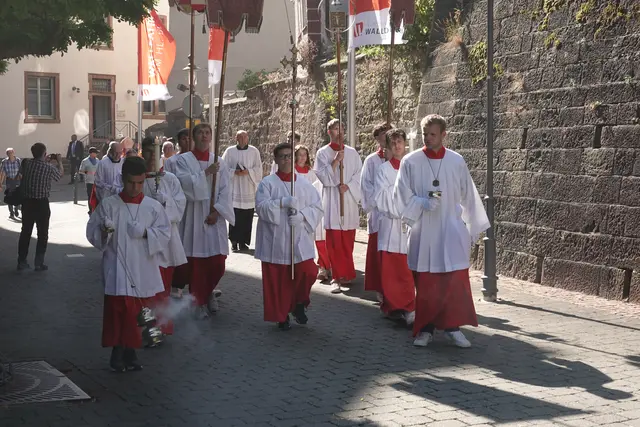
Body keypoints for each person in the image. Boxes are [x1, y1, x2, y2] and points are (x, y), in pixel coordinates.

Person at [394, 114, 489, 348]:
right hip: (424, 231)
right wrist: (421, 203)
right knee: (426, 285)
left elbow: (468, 194)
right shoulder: (411, 161)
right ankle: (425, 330)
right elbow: (401, 195)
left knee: (452, 283)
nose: (427, 138)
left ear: (444, 134)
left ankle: (452, 328)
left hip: (449, 229)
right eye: (424, 134)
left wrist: (472, 226)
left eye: (432, 134)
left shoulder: (456, 161)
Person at [86, 156, 171, 372]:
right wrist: (104, 231)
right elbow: (92, 232)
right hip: (118, 267)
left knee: (139, 312)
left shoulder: (153, 207)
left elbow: (165, 234)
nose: (135, 188)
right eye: (131, 182)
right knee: (119, 311)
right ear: (123, 179)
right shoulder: (109, 205)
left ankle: (130, 352)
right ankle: (118, 351)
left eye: (140, 183)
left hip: (143, 268)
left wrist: (145, 232)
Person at [255, 143, 322, 330]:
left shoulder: (304, 184)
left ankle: (299, 302)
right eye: (282, 156)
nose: (286, 159)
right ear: (276, 160)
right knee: (279, 281)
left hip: (298, 238)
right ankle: (282, 315)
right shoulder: (267, 183)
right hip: (275, 240)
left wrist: (302, 216)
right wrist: (282, 203)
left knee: (308, 271)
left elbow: (317, 207)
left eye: (289, 156)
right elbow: (261, 207)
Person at [173, 123, 235, 319]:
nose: (205, 136)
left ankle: (207, 293)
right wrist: (206, 173)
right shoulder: (183, 161)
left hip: (214, 217)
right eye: (200, 133)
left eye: (208, 133)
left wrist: (217, 211)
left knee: (218, 263)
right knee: (197, 265)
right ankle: (198, 302)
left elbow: (226, 190)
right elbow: (183, 185)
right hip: (193, 216)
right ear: (194, 137)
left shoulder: (219, 161)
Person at [139, 137, 187, 336]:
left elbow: (180, 207)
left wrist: (165, 202)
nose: (152, 157)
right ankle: (148, 326)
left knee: (162, 286)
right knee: (146, 287)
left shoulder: (170, 179)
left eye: (155, 152)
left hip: (167, 243)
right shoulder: (137, 179)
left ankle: (160, 326)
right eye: (148, 152)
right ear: (142, 153)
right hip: (144, 241)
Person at [314, 119, 362, 294]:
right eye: (335, 128)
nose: (339, 131)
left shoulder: (352, 152)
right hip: (333, 200)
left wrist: (349, 186)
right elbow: (322, 177)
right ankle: (336, 276)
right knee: (334, 241)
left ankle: (346, 274)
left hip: (348, 199)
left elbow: (359, 174)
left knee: (347, 240)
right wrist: (335, 161)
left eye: (341, 128)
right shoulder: (322, 153)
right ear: (329, 132)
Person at [374, 129, 415, 326]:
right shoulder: (383, 170)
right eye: (393, 143)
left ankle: (408, 305)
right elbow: (381, 196)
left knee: (406, 270)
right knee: (391, 271)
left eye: (400, 142)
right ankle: (393, 306)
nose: (397, 146)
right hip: (391, 224)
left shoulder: (413, 167)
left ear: (405, 144)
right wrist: (402, 202)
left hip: (409, 224)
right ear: (388, 147)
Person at [17, 143, 64, 271]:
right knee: (42, 233)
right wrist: (59, 161)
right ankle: (39, 263)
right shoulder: (48, 167)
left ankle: (21, 261)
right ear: (44, 153)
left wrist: (44, 159)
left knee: (25, 232)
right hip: (42, 204)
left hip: (27, 203)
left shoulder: (27, 163)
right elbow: (60, 175)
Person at [360, 122, 393, 302]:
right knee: (378, 251)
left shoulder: (401, 159)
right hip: (379, 212)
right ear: (377, 139)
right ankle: (380, 287)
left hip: (396, 213)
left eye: (389, 133)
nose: (386, 136)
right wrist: (381, 199)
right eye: (382, 134)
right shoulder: (371, 161)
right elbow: (366, 186)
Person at [222, 130, 262, 252]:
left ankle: (244, 242)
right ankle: (234, 241)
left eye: (245, 137)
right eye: (240, 137)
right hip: (235, 187)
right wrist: (234, 171)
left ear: (248, 138)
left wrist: (248, 171)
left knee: (247, 216)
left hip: (248, 187)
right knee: (234, 215)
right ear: (236, 138)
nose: (243, 139)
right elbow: (223, 167)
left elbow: (258, 168)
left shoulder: (254, 151)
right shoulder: (229, 151)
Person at [0, 148, 22, 219]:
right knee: (9, 196)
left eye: (11, 152)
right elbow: (2, 173)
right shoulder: (4, 161)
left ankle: (16, 209)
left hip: (17, 180)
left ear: (13, 152)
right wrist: (0, 183)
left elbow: (21, 171)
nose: (9, 154)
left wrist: (23, 180)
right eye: (8, 153)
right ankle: (11, 213)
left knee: (17, 195)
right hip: (9, 181)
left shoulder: (18, 160)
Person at [78, 147, 100, 215]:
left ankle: (96, 208)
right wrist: (88, 172)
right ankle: (90, 209)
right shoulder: (85, 161)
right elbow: (80, 171)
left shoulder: (98, 160)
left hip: (97, 181)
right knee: (90, 196)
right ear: (91, 153)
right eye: (95, 153)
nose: (96, 154)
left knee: (97, 196)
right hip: (89, 181)